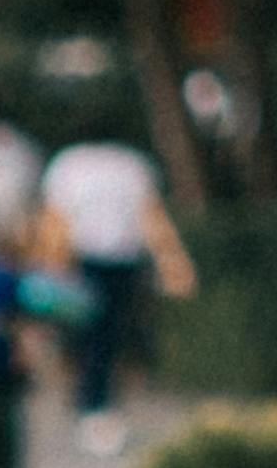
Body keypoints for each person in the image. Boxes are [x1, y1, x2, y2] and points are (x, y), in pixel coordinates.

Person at [35, 127, 196, 445]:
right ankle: (94, 403)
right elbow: (152, 217)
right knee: (106, 335)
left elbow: (55, 220)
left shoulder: (69, 163)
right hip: (117, 260)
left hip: (87, 260)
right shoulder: (133, 164)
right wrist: (173, 262)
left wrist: (49, 264)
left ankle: (93, 403)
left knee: (93, 335)